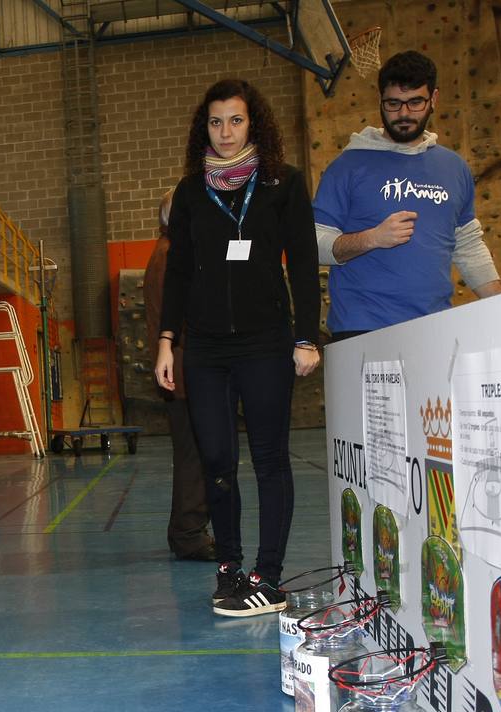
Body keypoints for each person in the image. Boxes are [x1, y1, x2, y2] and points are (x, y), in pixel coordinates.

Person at [153, 78, 321, 618]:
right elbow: (178, 273)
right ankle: (229, 568)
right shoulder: (189, 192)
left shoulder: (284, 184)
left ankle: (267, 576)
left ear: (255, 124)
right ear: (205, 127)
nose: (225, 132)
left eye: (236, 120)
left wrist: (306, 337)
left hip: (265, 343)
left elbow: (301, 261)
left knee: (271, 460)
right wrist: (165, 342)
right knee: (218, 461)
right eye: (216, 122)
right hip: (205, 350)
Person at [313, 50, 501, 340]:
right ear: (380, 102)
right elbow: (313, 243)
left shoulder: (453, 168)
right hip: (363, 327)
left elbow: (466, 243)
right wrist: (372, 238)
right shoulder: (348, 166)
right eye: (393, 103)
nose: (403, 114)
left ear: (433, 100)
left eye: (415, 102)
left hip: (434, 326)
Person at [142, 190, 214, 562]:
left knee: (194, 455)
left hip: (182, 374)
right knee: (194, 457)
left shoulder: (167, 253)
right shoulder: (172, 257)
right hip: (185, 375)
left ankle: (188, 531)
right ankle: (188, 533)